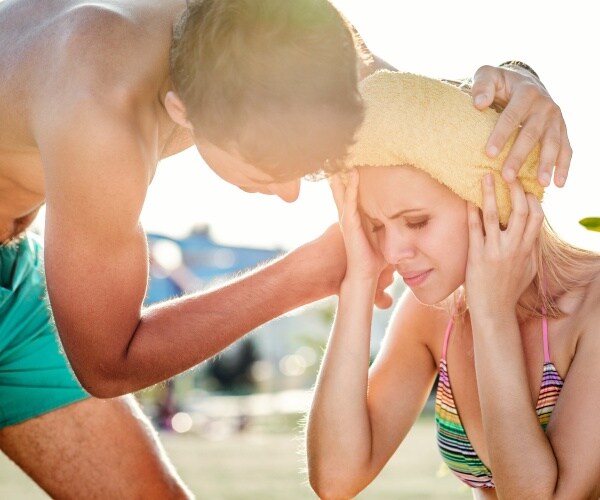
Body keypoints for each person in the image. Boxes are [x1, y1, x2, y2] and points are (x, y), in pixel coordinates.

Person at [0, 0, 572, 497]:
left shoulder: (288, 36)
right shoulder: (99, 104)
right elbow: (105, 364)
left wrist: (520, 82)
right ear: (182, 111)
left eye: (311, 165)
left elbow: (426, 115)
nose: (292, 193)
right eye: (267, 170)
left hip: (14, 269)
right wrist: (311, 274)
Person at [306, 70, 600, 499]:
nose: (393, 251)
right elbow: (336, 478)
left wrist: (493, 317)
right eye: (377, 226)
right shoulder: (431, 316)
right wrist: (359, 279)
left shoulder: (592, 304)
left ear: (496, 199)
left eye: (416, 221)